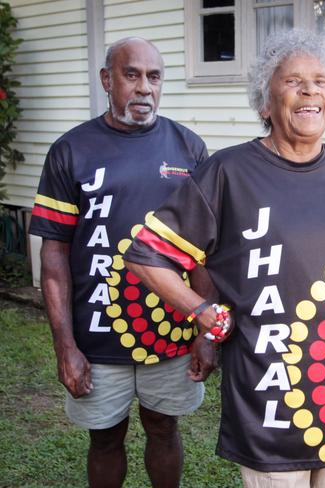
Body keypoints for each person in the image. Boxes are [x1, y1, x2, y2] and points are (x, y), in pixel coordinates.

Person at [124, 29, 325, 488]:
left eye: (320, 81)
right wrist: (203, 313)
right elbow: (146, 255)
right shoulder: (229, 172)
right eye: (292, 81)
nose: (309, 91)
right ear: (265, 103)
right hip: (270, 395)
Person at [29, 37, 212, 488]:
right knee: (105, 440)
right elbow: (53, 253)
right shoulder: (71, 150)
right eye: (132, 75)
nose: (144, 87)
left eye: (154, 76)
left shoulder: (189, 148)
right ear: (107, 80)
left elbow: (206, 248)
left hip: (170, 332)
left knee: (164, 429)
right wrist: (64, 345)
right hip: (96, 337)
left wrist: (207, 333)